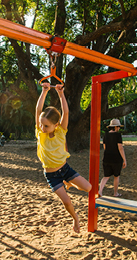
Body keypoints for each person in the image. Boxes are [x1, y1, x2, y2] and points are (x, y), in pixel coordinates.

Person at [35, 83, 92, 233]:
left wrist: (61, 94)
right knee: (67, 202)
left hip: (65, 169)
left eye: (46, 126)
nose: (42, 128)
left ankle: (69, 183)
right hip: (51, 175)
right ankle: (75, 219)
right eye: (41, 124)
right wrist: (44, 91)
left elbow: (66, 113)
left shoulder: (61, 132)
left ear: (56, 125)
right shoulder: (40, 134)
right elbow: (38, 110)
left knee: (88, 188)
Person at [98, 119, 127, 198]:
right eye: (119, 127)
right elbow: (120, 148)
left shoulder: (106, 135)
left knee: (106, 176)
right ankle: (115, 193)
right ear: (116, 127)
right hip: (116, 159)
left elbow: (105, 147)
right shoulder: (118, 135)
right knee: (116, 176)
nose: (119, 128)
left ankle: (100, 191)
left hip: (106, 158)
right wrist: (124, 159)